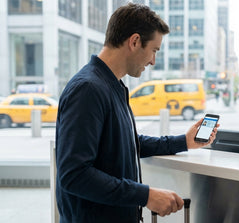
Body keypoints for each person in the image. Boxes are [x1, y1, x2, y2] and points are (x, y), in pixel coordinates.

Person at [55, 3, 219, 223]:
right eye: (153, 50)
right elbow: (74, 175)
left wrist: (184, 141)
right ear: (134, 42)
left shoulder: (112, 86)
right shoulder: (88, 89)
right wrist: (146, 195)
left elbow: (126, 143)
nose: (152, 61)